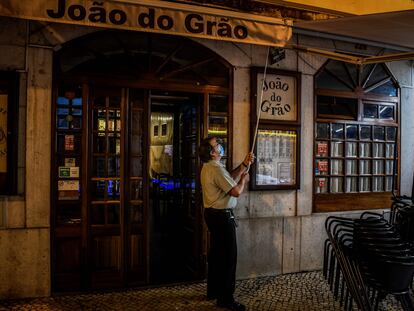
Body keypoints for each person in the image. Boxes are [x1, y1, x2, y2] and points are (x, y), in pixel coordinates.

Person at [199, 136, 254, 311]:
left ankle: (213, 291)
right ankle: (225, 298)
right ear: (212, 152)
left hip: (212, 215)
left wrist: (244, 164)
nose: (220, 146)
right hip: (222, 217)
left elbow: (228, 178)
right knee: (228, 258)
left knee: (216, 255)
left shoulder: (209, 167)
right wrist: (244, 180)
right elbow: (236, 191)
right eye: (217, 145)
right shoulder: (216, 169)